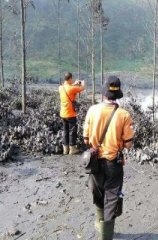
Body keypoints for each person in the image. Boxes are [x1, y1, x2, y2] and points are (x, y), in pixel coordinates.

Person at [83, 76, 134, 240]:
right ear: (117, 94)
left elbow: (85, 139)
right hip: (113, 163)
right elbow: (128, 144)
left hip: (94, 162)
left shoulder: (92, 110)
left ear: (104, 92)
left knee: (98, 195)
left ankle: (100, 227)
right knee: (111, 200)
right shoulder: (124, 114)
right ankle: (106, 236)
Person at [59, 72, 85, 155]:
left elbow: (68, 87)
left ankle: (65, 149)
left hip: (63, 114)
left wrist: (74, 84)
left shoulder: (60, 87)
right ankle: (72, 149)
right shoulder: (72, 88)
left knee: (65, 131)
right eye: (72, 78)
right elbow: (82, 88)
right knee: (72, 131)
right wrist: (83, 83)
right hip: (71, 114)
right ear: (70, 79)